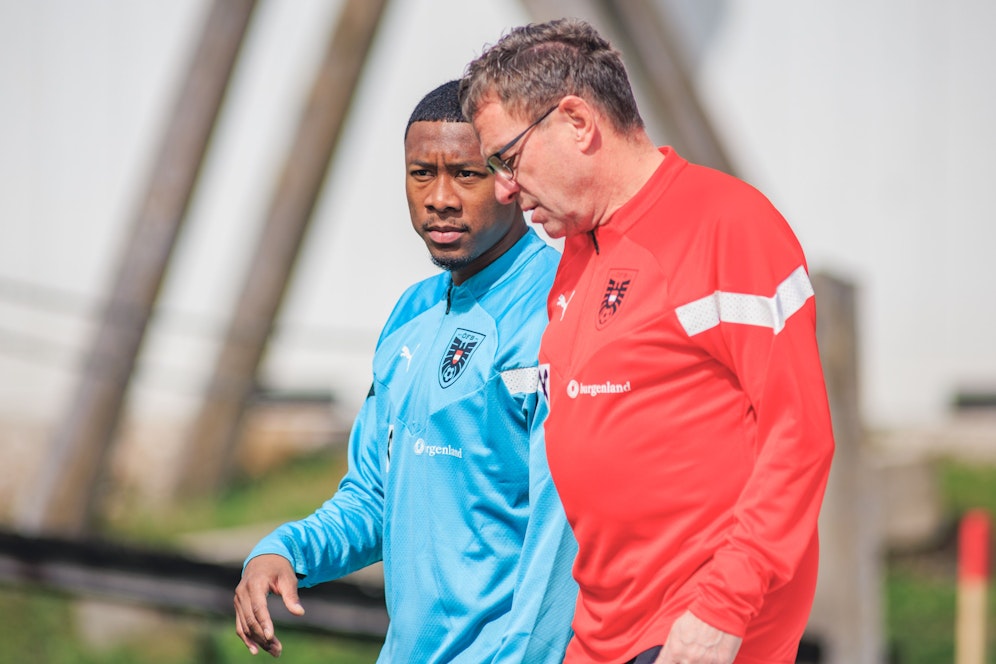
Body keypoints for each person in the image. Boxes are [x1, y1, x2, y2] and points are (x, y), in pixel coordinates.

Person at [460, 18, 835, 664]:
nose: (503, 187)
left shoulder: (727, 224)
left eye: (508, 158)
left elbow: (799, 436)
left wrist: (723, 605)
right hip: (603, 629)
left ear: (576, 122)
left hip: (698, 626)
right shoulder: (576, 253)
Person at [233, 79, 577, 662]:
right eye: (422, 173)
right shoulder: (411, 313)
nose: (439, 197)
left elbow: (564, 538)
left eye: (465, 174)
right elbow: (374, 495)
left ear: (512, 178)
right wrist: (285, 551)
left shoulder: (560, 314)